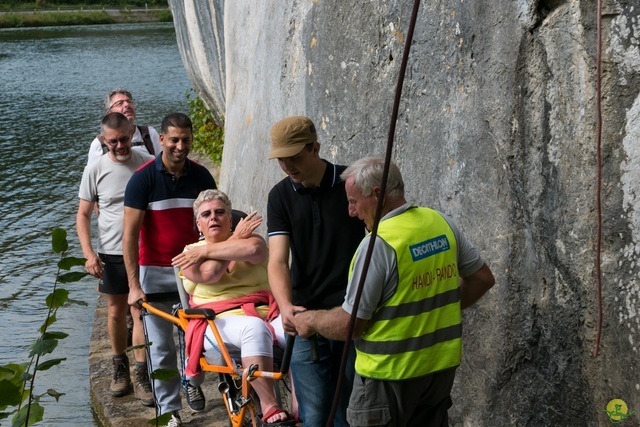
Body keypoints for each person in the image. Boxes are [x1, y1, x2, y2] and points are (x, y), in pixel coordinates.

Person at [293, 156, 496, 426]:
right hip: (438, 373)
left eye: (353, 201)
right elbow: (482, 278)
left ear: (377, 195)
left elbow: (349, 326)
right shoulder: (439, 223)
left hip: (387, 379)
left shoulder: (378, 245)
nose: (351, 211)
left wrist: (311, 320)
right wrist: (435, 312)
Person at [266, 116, 366, 426]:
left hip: (350, 316)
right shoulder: (280, 196)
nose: (288, 166)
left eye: (295, 157)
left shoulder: (350, 183)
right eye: (282, 159)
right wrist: (285, 308)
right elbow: (278, 261)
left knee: (347, 410)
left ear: (315, 148)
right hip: (304, 317)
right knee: (313, 415)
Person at [123, 112, 217, 427]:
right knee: (161, 348)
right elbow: (129, 236)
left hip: (194, 273)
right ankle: (168, 410)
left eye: (186, 140)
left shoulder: (203, 177)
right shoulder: (142, 179)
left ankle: (193, 382)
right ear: (161, 139)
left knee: (199, 339)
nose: (180, 146)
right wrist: (134, 286)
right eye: (174, 139)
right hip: (155, 272)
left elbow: (212, 227)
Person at [171, 189, 296, 426]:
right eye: (206, 214)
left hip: (266, 312)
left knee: (298, 328)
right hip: (216, 321)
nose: (213, 218)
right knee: (254, 328)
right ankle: (270, 405)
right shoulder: (188, 253)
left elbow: (254, 252)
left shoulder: (252, 239)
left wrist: (215, 247)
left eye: (220, 212)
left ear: (231, 219)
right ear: (199, 224)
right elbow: (211, 274)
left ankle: (303, 408)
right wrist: (232, 240)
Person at [76, 112, 155, 405]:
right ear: (102, 140)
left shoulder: (146, 161)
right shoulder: (95, 169)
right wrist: (88, 254)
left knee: (140, 312)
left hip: (144, 250)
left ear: (132, 132)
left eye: (124, 139)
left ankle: (141, 371)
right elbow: (83, 215)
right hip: (111, 251)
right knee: (115, 311)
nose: (120, 146)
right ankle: (119, 365)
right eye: (113, 142)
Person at [87, 89, 162, 165]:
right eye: (120, 103)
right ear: (109, 113)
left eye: (129, 101)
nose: (127, 105)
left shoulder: (149, 134)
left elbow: (163, 165)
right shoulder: (99, 144)